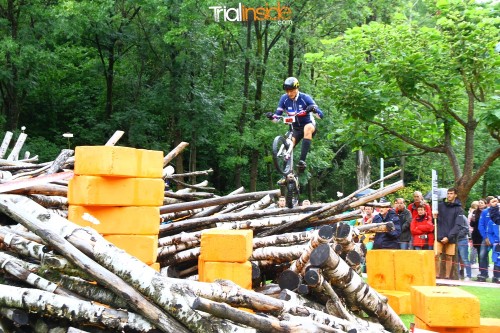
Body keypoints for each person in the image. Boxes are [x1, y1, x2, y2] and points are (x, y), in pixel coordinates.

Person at [266, 77, 324, 171]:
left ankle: (302, 161)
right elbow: (277, 119)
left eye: (291, 91)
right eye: (287, 91)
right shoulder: (284, 99)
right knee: (287, 149)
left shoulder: (305, 98)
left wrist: (313, 109)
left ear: (297, 89)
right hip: (295, 129)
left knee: (307, 128)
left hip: (308, 125)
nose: (289, 93)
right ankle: (285, 174)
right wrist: (271, 117)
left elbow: (321, 116)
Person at [433, 187, 464, 280]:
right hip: (439, 235)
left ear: (455, 195)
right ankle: (436, 275)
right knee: (436, 254)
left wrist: (449, 237)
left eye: (451, 193)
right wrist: (434, 216)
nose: (449, 195)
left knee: (449, 257)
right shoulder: (441, 205)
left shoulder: (459, 209)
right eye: (448, 193)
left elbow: (458, 225)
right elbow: (436, 221)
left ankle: (447, 277)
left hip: (451, 237)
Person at [477, 196, 494, 282]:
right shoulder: (484, 212)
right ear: (488, 203)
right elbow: (481, 225)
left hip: (496, 238)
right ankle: (483, 274)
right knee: (482, 255)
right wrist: (485, 237)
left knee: (497, 257)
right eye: (491, 202)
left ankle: (497, 276)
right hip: (486, 238)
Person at [485, 196, 500, 283]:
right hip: (497, 244)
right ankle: (496, 277)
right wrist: (493, 207)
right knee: (497, 260)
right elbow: (489, 232)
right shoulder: (494, 221)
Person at [470, 199, 487, 266]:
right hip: (476, 234)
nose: (480, 204)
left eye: (482, 203)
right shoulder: (475, 212)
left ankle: (484, 267)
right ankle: (481, 267)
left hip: (484, 234)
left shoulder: (487, 212)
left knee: (483, 253)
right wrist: (473, 220)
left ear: (485, 204)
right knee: (478, 251)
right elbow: (472, 224)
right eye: (479, 203)